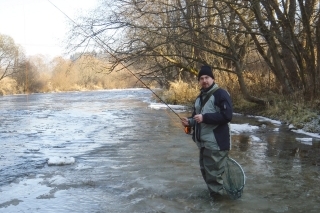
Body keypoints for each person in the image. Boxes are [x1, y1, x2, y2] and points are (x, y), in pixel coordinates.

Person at [181, 65, 233, 199]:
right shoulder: (199, 97)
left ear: (213, 79)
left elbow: (227, 116)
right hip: (204, 144)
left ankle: (221, 205)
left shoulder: (221, 94)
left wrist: (205, 118)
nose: (204, 81)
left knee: (214, 177)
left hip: (216, 144)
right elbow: (196, 116)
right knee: (207, 174)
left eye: (207, 78)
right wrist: (190, 121)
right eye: (202, 78)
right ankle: (217, 201)